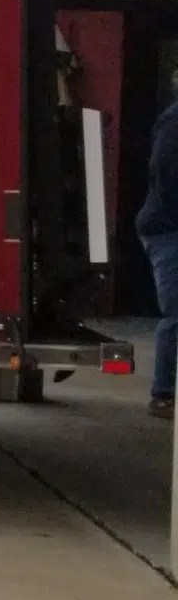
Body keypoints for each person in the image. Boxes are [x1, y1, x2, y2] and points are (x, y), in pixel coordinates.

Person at [139, 77, 178, 421]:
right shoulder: (174, 122)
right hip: (168, 230)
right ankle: (162, 395)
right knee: (176, 314)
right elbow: (166, 177)